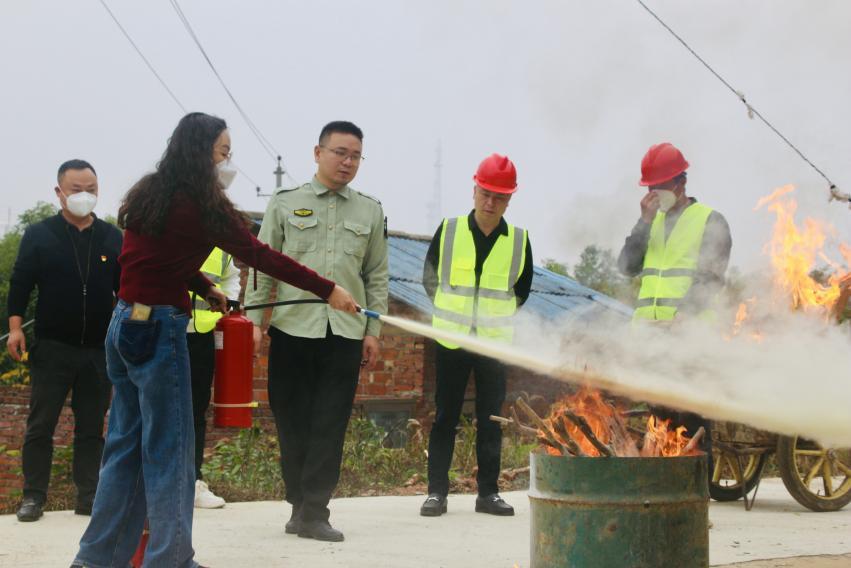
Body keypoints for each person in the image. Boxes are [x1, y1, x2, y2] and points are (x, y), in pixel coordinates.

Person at [71, 112, 357, 568]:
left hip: (124, 325)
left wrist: (203, 286)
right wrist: (328, 289)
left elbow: (148, 260)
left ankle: (95, 559)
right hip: (158, 332)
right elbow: (260, 255)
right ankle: (172, 560)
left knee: (123, 450)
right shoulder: (202, 206)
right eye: (224, 152)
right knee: (171, 453)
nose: (228, 162)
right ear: (202, 152)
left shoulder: (152, 193)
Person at [245, 120, 388, 542]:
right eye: (339, 152)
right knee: (291, 421)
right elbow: (261, 268)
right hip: (291, 331)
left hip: (344, 334)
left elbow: (377, 275)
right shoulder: (286, 202)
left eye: (355, 155)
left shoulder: (370, 210)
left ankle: (315, 511)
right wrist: (254, 323)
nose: (347, 162)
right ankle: (298, 504)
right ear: (317, 153)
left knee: (330, 423)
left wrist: (373, 330)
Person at [7, 159, 122, 522]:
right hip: (53, 346)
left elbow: (126, 288)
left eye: (91, 188)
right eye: (77, 190)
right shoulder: (40, 234)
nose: (85, 195)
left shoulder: (112, 237)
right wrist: (14, 328)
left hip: (98, 349)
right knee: (41, 424)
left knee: (92, 427)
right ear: (59, 192)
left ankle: (89, 495)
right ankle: (32, 497)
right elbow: (20, 284)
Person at [420, 153, 533, 518]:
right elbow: (429, 278)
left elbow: (521, 290)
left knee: (491, 420)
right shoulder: (450, 229)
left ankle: (488, 494)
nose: (490, 202)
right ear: (474, 190)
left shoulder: (518, 240)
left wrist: (492, 320)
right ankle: (436, 493)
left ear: (509, 200)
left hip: (492, 345)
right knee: (445, 417)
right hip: (452, 340)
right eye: (485, 193)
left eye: (499, 197)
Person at [616, 142, 732, 452]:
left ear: (681, 183)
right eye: (650, 187)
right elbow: (626, 266)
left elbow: (711, 277)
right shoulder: (650, 222)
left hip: (689, 337)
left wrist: (684, 315)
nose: (655, 193)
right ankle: (665, 489)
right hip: (651, 339)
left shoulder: (710, 220)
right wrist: (643, 222)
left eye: (662, 186)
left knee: (690, 418)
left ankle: (695, 491)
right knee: (659, 419)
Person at [187, 247, 240, 509]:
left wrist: (226, 300)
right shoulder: (158, 224)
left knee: (196, 411)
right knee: (153, 410)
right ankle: (145, 483)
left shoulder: (217, 244)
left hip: (202, 335)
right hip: (161, 330)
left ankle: (193, 483)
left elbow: (232, 276)